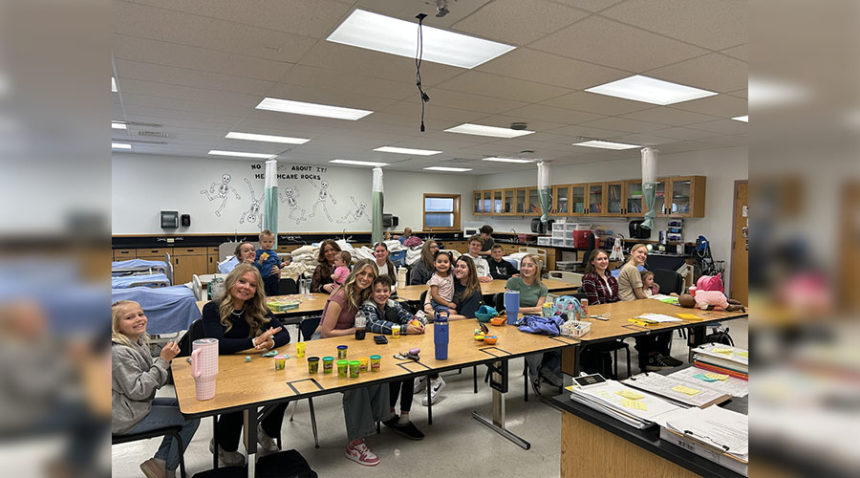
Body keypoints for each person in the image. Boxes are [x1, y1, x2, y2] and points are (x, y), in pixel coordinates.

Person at [200, 264, 291, 466]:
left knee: (284, 389)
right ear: (231, 282)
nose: (246, 287)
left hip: (250, 367)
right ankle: (224, 446)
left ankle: (266, 431)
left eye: (252, 285)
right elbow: (216, 344)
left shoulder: (258, 308)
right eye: (242, 281)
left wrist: (271, 342)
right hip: (222, 369)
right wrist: (254, 342)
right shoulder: (212, 309)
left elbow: (283, 333)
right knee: (238, 400)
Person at [112, 300, 199, 478]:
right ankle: (167, 468)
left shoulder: (137, 342)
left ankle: (159, 462)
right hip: (122, 416)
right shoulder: (118, 353)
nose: (138, 319)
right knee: (191, 417)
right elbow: (139, 390)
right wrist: (163, 361)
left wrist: (164, 363)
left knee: (184, 406)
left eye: (140, 314)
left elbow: (153, 382)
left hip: (134, 404)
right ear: (116, 326)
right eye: (129, 317)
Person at [318, 259, 390, 466]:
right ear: (354, 273)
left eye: (370, 276)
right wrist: (357, 330)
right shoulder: (340, 296)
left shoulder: (364, 295)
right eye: (363, 274)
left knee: (379, 371)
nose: (366, 279)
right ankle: (355, 443)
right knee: (356, 381)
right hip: (326, 347)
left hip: (350, 345)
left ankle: (370, 424)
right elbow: (326, 333)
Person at [361, 275, 425, 440]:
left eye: (385, 291)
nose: (382, 294)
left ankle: (404, 417)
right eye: (378, 291)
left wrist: (415, 323)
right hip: (375, 354)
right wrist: (404, 329)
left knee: (409, 372)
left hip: (393, 350)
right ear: (372, 292)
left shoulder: (393, 304)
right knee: (395, 376)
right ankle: (388, 412)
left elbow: (407, 316)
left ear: (390, 291)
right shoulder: (368, 307)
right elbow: (374, 324)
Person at [417, 255, 485, 405]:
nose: (458, 269)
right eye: (457, 266)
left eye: (463, 267)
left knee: (431, 342)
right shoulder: (452, 281)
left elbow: (466, 319)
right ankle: (427, 374)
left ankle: (435, 380)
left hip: (460, 331)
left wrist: (436, 317)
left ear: (470, 270)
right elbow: (430, 290)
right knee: (419, 337)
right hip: (443, 322)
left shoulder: (472, 293)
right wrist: (428, 304)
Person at [616, 244, 681, 372]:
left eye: (645, 254)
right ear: (632, 252)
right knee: (665, 324)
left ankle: (659, 355)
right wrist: (655, 302)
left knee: (666, 324)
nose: (643, 256)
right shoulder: (632, 269)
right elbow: (640, 295)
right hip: (632, 307)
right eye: (640, 252)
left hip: (632, 305)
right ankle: (653, 357)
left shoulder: (630, 268)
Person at [255, 230, 288, 297]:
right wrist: (260, 261)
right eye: (265, 242)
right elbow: (254, 266)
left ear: (273, 242)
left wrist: (282, 264)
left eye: (270, 242)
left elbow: (278, 264)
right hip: (262, 279)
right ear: (260, 242)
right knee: (264, 296)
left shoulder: (274, 254)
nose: (267, 244)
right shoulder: (257, 253)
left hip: (273, 278)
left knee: (276, 294)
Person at [423, 250, 456, 316]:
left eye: (446, 262)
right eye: (439, 262)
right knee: (453, 313)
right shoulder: (435, 279)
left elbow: (457, 263)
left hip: (448, 302)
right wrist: (448, 304)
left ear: (450, 264)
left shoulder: (451, 273)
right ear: (435, 264)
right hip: (437, 303)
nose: (442, 264)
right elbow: (435, 296)